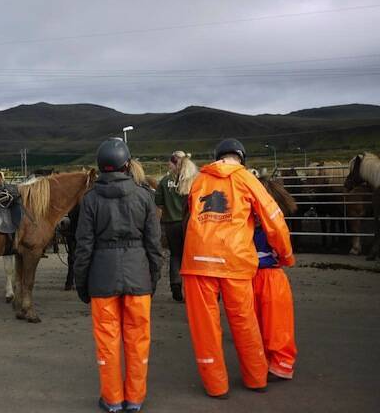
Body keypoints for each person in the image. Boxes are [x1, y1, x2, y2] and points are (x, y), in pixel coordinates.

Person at [180, 138, 293, 398]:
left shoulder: (198, 180)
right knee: (244, 322)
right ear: (241, 158)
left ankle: (216, 386)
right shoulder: (247, 179)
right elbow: (273, 218)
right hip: (235, 262)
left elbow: (192, 214)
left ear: (218, 155)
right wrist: (285, 255)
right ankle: (256, 379)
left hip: (197, 262)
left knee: (205, 328)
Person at [74, 138, 163, 413]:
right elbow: (154, 245)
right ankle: (135, 398)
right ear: (127, 164)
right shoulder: (144, 196)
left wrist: (82, 284)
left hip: (102, 280)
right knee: (137, 341)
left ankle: (112, 400)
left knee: (107, 342)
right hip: (138, 279)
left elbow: (83, 246)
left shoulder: (89, 200)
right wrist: (153, 278)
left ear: (101, 167)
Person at [252, 175, 298, 380]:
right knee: (261, 323)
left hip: (270, 276)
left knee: (275, 324)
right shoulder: (260, 220)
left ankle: (282, 364)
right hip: (256, 275)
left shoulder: (271, 222)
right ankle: (270, 361)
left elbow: (282, 250)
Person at [154, 151, 198, 301]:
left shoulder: (165, 181)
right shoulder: (193, 180)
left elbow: (158, 204)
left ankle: (176, 286)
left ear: (173, 163)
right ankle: (191, 288)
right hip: (190, 224)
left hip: (171, 224)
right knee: (190, 255)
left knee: (175, 255)